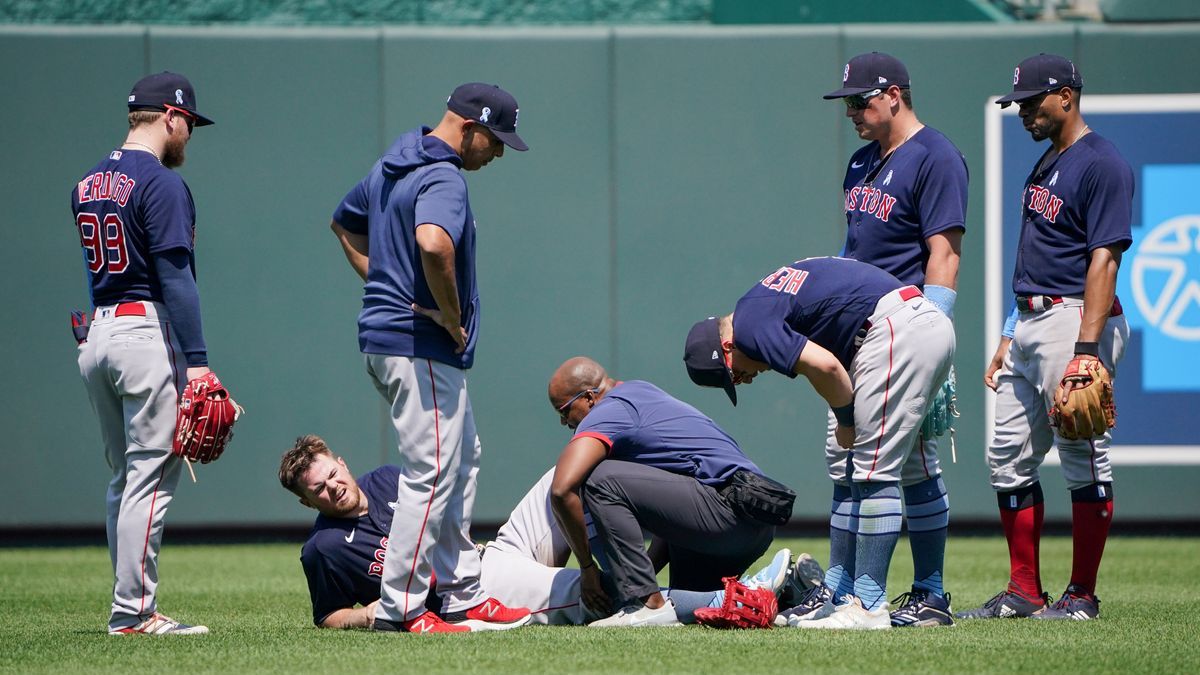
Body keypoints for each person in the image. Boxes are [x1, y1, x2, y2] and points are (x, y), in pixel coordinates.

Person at [327, 82, 531, 633]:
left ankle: (463, 592)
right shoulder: (443, 174)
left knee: (462, 458)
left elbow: (344, 222)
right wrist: (448, 312)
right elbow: (435, 242)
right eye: (496, 141)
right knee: (431, 473)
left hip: (392, 340)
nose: (499, 154)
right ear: (470, 127)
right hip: (419, 344)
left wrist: (382, 284)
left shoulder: (392, 163)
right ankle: (402, 609)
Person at [685, 255, 955, 629]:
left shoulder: (749, 325)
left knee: (872, 469)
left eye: (734, 375)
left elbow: (825, 367)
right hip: (902, 326)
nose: (744, 380)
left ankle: (868, 604)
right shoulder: (757, 302)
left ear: (727, 349)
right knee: (883, 466)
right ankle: (846, 594)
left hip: (893, 331)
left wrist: (846, 419)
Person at [957, 54, 1132, 622]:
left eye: (1031, 103)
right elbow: (1040, 255)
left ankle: (1082, 596)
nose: (1023, 113)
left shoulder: (1102, 163)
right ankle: (1025, 591)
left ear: (1066, 97)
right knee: (1006, 458)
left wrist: (1086, 351)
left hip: (1075, 319)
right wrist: (1010, 332)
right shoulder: (1048, 162)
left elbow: (1102, 261)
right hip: (1031, 320)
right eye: (1018, 104)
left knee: (1083, 454)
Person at [277, 436, 796, 628]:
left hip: (490, 555)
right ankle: (739, 596)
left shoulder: (387, 479)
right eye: (318, 490)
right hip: (477, 593)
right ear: (306, 502)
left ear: (341, 462)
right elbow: (327, 617)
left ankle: (652, 553)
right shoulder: (322, 548)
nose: (332, 488)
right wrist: (364, 616)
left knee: (567, 478)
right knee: (600, 597)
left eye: (331, 474)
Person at [801, 51, 968, 627]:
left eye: (860, 100)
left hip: (904, 327)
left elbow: (943, 254)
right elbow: (854, 253)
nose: (850, 111)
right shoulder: (859, 163)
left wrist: (936, 338)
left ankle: (927, 592)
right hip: (857, 332)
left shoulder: (936, 156)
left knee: (903, 465)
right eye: (846, 102)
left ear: (894, 94)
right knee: (850, 461)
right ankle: (844, 586)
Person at [72, 71, 218, 636]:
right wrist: (199, 362)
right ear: (170, 117)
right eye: (190, 125)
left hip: (100, 332)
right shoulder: (160, 183)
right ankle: (133, 612)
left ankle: (128, 604)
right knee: (150, 478)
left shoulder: (87, 181)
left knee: (124, 478)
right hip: (143, 334)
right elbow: (176, 278)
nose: (190, 136)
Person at [547, 356, 784, 627]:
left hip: (728, 512)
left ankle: (647, 604)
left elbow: (561, 489)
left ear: (589, 397)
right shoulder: (640, 392)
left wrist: (589, 571)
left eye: (564, 410)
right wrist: (638, 573)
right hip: (749, 520)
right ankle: (787, 592)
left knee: (599, 478)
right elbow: (669, 502)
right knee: (694, 605)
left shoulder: (608, 410)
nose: (564, 421)